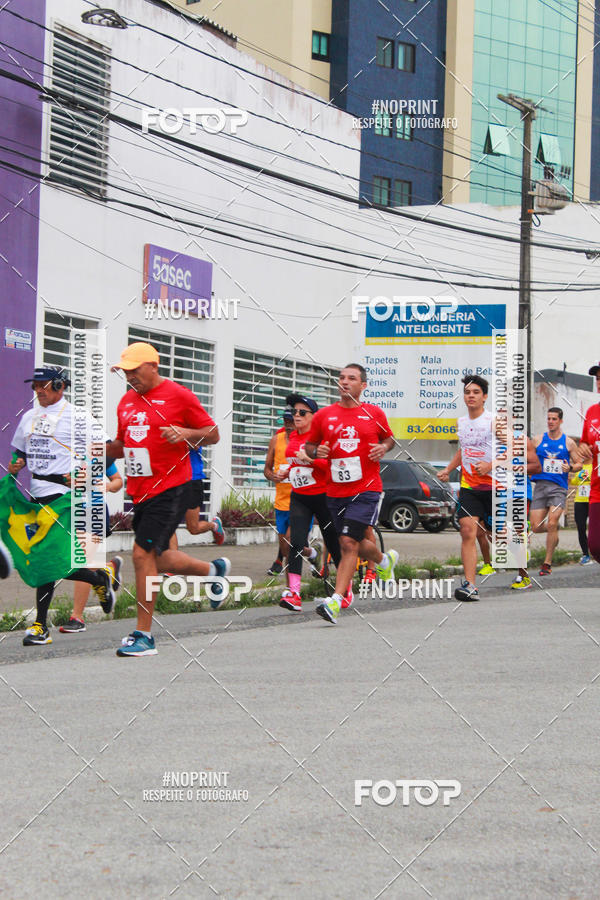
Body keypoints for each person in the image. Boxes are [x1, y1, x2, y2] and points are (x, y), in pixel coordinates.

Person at [106, 342, 229, 657]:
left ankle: (144, 635)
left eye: (135, 370)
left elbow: (212, 434)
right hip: (140, 491)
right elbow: (124, 445)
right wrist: (98, 449)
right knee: (156, 560)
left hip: (171, 487)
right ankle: (214, 571)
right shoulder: (126, 403)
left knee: (140, 554)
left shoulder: (179, 395)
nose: (130, 376)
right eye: (126, 371)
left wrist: (186, 433)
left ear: (152, 366)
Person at [7, 367, 122, 646]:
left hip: (67, 497)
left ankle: (40, 626)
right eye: (35, 386)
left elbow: (108, 450)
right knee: (43, 558)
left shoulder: (78, 417)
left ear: (60, 386)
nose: (38, 391)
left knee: (46, 557)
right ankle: (99, 576)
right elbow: (20, 451)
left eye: (44, 385)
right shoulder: (28, 418)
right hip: (38, 495)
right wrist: (16, 464)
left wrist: (87, 473)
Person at [305, 364, 398, 625]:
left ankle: (336, 600)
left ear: (363, 385)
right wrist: (316, 453)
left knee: (347, 542)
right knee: (352, 542)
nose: (345, 382)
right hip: (335, 490)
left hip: (366, 488)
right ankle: (384, 559)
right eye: (342, 378)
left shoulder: (373, 413)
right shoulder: (324, 415)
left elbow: (389, 439)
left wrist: (383, 447)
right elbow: (310, 445)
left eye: (352, 378)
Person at [279, 394, 342, 612]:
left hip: (323, 497)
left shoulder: (321, 439)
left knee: (333, 543)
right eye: (294, 412)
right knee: (295, 542)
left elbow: (330, 466)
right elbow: (296, 463)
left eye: (302, 412)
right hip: (300, 497)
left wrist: (310, 460)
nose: (296, 416)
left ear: (313, 417)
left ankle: (344, 590)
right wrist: (288, 472)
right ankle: (294, 593)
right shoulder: (293, 437)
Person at [439, 374, 494, 602]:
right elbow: (464, 450)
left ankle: (522, 572)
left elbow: (513, 449)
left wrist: (491, 464)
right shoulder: (461, 422)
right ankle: (471, 585)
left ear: (485, 397)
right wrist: (449, 469)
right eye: (467, 392)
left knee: (503, 537)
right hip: (470, 486)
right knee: (467, 531)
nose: (470, 396)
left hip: (495, 485)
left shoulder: (494, 421)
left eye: (475, 393)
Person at [60, 458, 123, 632]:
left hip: (94, 511)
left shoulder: (98, 454)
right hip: (67, 511)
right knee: (69, 563)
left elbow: (118, 480)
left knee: (81, 561)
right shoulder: (61, 453)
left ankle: (77, 618)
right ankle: (108, 569)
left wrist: (108, 487)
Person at [264, 410, 316, 576]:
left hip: (302, 501)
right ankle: (314, 554)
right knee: (288, 548)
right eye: (286, 420)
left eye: (291, 421)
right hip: (281, 502)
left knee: (291, 541)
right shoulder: (276, 440)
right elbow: (267, 468)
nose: (288, 424)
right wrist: (273, 476)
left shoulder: (308, 441)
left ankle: (292, 589)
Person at [530, 408, 580, 576]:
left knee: (552, 522)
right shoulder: (537, 440)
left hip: (558, 488)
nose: (551, 421)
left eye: (554, 419)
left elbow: (579, 463)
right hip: (540, 487)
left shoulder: (568, 442)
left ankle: (547, 563)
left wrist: (571, 467)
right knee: (536, 527)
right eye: (549, 418)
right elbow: (528, 457)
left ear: (560, 421)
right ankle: (554, 532)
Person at [579, 363, 600, 567]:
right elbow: (585, 442)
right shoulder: (593, 412)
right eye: (599, 379)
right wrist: (584, 447)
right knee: (595, 546)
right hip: (597, 490)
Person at [184, 448, 224, 544]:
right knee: (166, 525)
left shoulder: (193, 433)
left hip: (192, 479)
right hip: (169, 480)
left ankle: (214, 526)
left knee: (193, 528)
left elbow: (195, 444)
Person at [570, 457, 593, 565]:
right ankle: (585, 554)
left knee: (595, 529)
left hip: (593, 501)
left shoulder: (595, 466)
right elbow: (574, 481)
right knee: (581, 527)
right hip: (579, 500)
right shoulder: (579, 467)